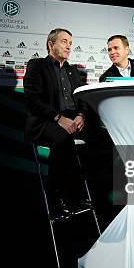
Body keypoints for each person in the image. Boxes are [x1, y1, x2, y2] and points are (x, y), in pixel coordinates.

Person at [24, 28, 88, 216]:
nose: (69, 46)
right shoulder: (37, 65)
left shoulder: (73, 70)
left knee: (101, 138)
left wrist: (81, 116)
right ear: (51, 44)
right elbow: (32, 100)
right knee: (63, 139)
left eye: (70, 43)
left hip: (72, 120)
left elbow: (82, 99)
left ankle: (89, 194)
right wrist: (59, 118)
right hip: (44, 121)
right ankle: (59, 197)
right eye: (64, 41)